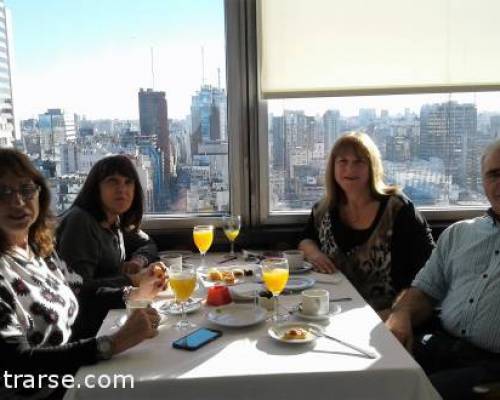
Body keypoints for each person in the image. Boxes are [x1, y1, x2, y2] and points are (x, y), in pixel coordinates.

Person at [0, 149, 166, 399]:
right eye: (2, 192)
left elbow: (78, 291)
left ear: (39, 194)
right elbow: (17, 366)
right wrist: (113, 342)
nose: (18, 202)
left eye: (26, 189)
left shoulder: (39, 250)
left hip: (75, 374)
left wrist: (132, 293)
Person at [385, 139, 500, 400]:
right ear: (483, 181)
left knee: (403, 393)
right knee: (368, 376)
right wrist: (401, 314)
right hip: (438, 345)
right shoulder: (459, 234)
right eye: (494, 174)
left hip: (491, 368)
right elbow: (424, 290)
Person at [299, 132, 434, 316]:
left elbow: (429, 273)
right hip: (333, 312)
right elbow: (305, 237)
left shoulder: (398, 210)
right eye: (343, 161)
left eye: (359, 162)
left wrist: (397, 315)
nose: (350, 169)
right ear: (333, 167)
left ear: (372, 167)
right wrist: (313, 252)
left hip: (389, 317)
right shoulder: (324, 209)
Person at [57, 155, 159, 291]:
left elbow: (147, 244)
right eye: (113, 181)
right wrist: (131, 281)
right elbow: (78, 288)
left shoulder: (115, 219)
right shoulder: (80, 222)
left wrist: (139, 260)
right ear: (96, 188)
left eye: (128, 182)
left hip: (111, 306)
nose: (122, 189)